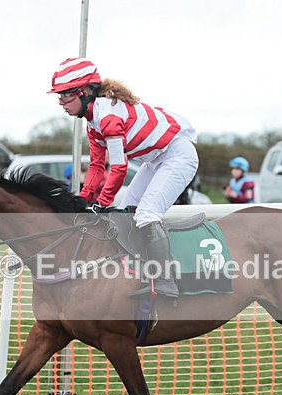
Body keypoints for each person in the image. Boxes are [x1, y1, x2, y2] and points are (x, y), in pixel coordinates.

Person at [49, 57, 198, 299]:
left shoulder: (107, 118)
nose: (60, 102)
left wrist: (100, 204)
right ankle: (137, 273)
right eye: (59, 96)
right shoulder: (92, 123)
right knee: (126, 212)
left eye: (65, 95)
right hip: (156, 160)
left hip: (178, 156)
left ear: (84, 92)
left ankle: (165, 281)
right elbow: (97, 167)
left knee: (146, 214)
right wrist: (81, 201)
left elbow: (118, 167)